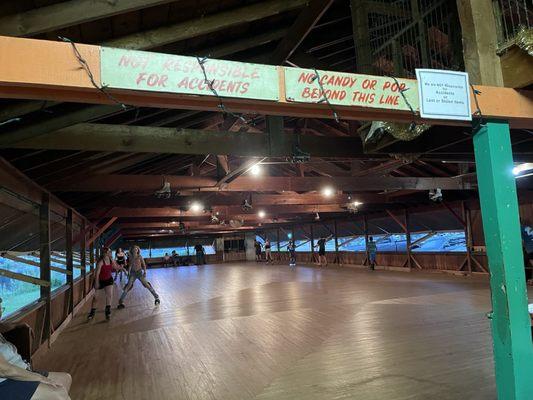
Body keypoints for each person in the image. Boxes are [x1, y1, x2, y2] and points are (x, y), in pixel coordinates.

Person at [0, 297, 72, 400]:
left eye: (1, 309)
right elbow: (4, 370)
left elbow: (1, 326)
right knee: (59, 395)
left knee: (65, 379)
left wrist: (17, 325)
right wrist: (41, 378)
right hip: (5, 382)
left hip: (19, 370)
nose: (1, 313)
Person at [88, 247, 121, 321]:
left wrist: (119, 266)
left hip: (109, 280)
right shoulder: (101, 262)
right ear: (105, 253)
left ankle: (108, 311)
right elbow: (97, 273)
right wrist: (96, 283)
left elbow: (115, 267)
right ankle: (92, 312)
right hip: (99, 280)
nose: (110, 253)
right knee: (96, 298)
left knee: (109, 295)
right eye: (109, 252)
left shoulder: (111, 260)